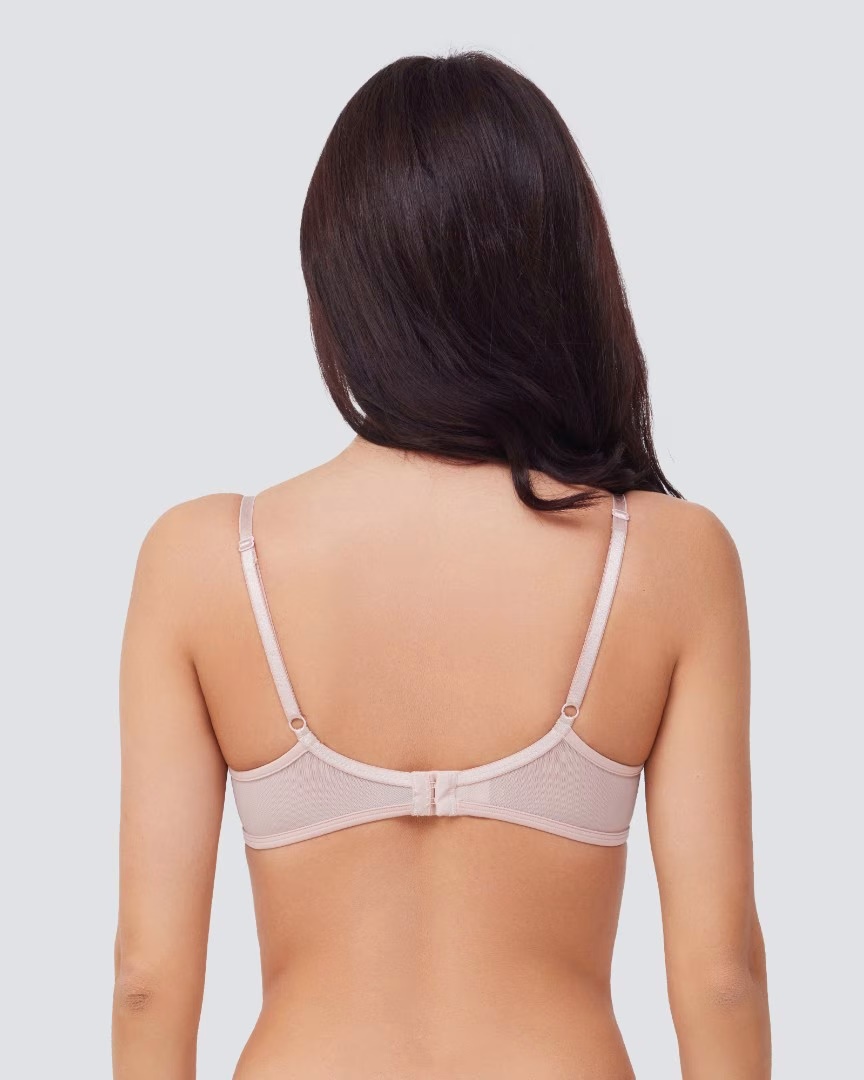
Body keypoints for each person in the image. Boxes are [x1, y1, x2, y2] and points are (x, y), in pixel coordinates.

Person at [112, 51, 771, 1079]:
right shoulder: (668, 560)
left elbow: (147, 978)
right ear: (560, 266)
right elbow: (721, 973)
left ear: (340, 277)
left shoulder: (202, 563)